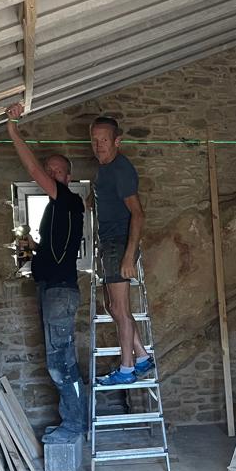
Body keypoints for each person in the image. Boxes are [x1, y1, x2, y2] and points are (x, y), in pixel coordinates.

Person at [5, 103, 87, 442]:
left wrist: (12, 130)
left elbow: (33, 170)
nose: (50, 175)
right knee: (59, 359)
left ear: (67, 178)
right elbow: (51, 252)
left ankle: (75, 424)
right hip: (52, 289)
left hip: (59, 291)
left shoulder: (68, 200)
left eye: (56, 171)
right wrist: (31, 246)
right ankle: (73, 421)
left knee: (61, 363)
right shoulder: (56, 210)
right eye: (49, 170)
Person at [90, 116, 154, 385]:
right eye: (94, 140)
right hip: (109, 242)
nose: (99, 145)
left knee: (120, 307)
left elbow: (138, 214)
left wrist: (129, 255)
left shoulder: (120, 169)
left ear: (117, 141)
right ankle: (142, 357)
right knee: (112, 306)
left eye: (104, 140)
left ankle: (127, 369)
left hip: (119, 243)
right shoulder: (104, 169)